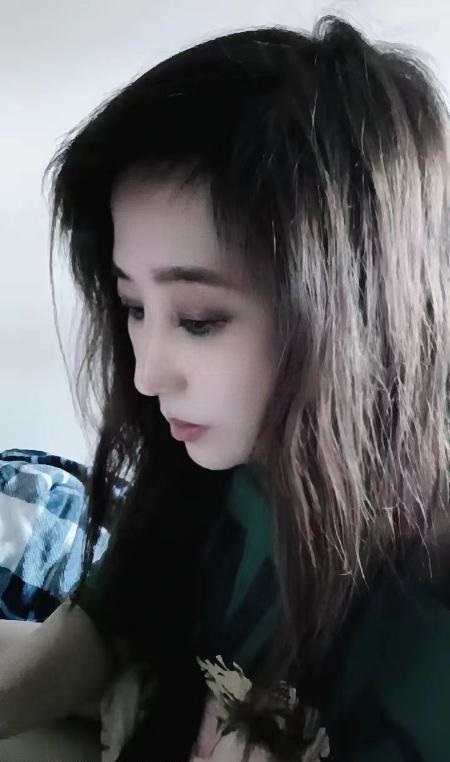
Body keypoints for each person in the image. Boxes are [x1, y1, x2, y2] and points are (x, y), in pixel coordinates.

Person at [0, 13, 448, 762]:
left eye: (200, 319)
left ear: (359, 309)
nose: (146, 375)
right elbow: (104, 626)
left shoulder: (425, 613)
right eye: (133, 307)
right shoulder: (215, 469)